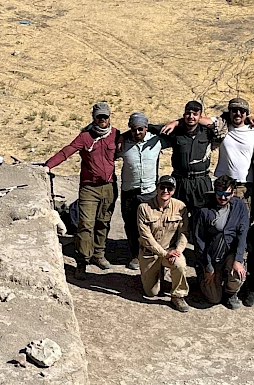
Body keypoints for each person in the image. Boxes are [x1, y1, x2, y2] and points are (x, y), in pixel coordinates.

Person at [45, 102, 119, 276]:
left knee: (103, 221)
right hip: (89, 188)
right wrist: (48, 165)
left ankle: (99, 254)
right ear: (93, 117)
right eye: (99, 116)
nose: (102, 120)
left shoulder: (115, 134)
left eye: (105, 116)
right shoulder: (85, 137)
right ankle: (82, 261)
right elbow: (67, 151)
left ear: (109, 117)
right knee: (85, 224)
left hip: (109, 186)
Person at [191, 175, 250, 309]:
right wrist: (207, 267)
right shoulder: (204, 211)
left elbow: (243, 233)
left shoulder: (239, 206)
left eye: (227, 194)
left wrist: (238, 260)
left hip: (230, 254)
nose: (223, 198)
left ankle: (231, 293)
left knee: (238, 273)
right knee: (214, 299)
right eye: (219, 193)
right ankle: (202, 277)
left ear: (233, 193)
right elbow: (199, 241)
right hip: (211, 257)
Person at [116, 112, 165, 270]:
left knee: (150, 224)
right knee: (130, 224)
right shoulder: (123, 144)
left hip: (149, 191)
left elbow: (173, 130)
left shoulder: (156, 140)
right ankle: (135, 255)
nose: (137, 133)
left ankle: (150, 253)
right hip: (129, 191)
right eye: (133, 129)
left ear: (146, 128)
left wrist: (151, 128)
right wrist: (122, 136)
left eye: (140, 129)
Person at [164, 100, 226, 222]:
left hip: (201, 181)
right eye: (188, 113)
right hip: (181, 180)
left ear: (200, 116)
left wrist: (177, 121)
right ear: (184, 115)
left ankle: (198, 240)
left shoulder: (208, 132)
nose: (191, 117)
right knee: (177, 215)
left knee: (203, 215)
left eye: (195, 114)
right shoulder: (176, 132)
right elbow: (150, 128)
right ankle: (178, 240)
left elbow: (222, 124)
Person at [135, 175, 189, 313]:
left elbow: (184, 233)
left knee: (180, 264)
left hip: (170, 251)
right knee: (151, 293)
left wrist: (178, 250)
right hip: (150, 253)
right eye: (162, 187)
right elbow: (146, 237)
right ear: (157, 188)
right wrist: (164, 254)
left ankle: (178, 295)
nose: (165, 191)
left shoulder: (180, 207)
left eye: (169, 188)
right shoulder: (144, 208)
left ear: (174, 190)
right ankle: (154, 273)